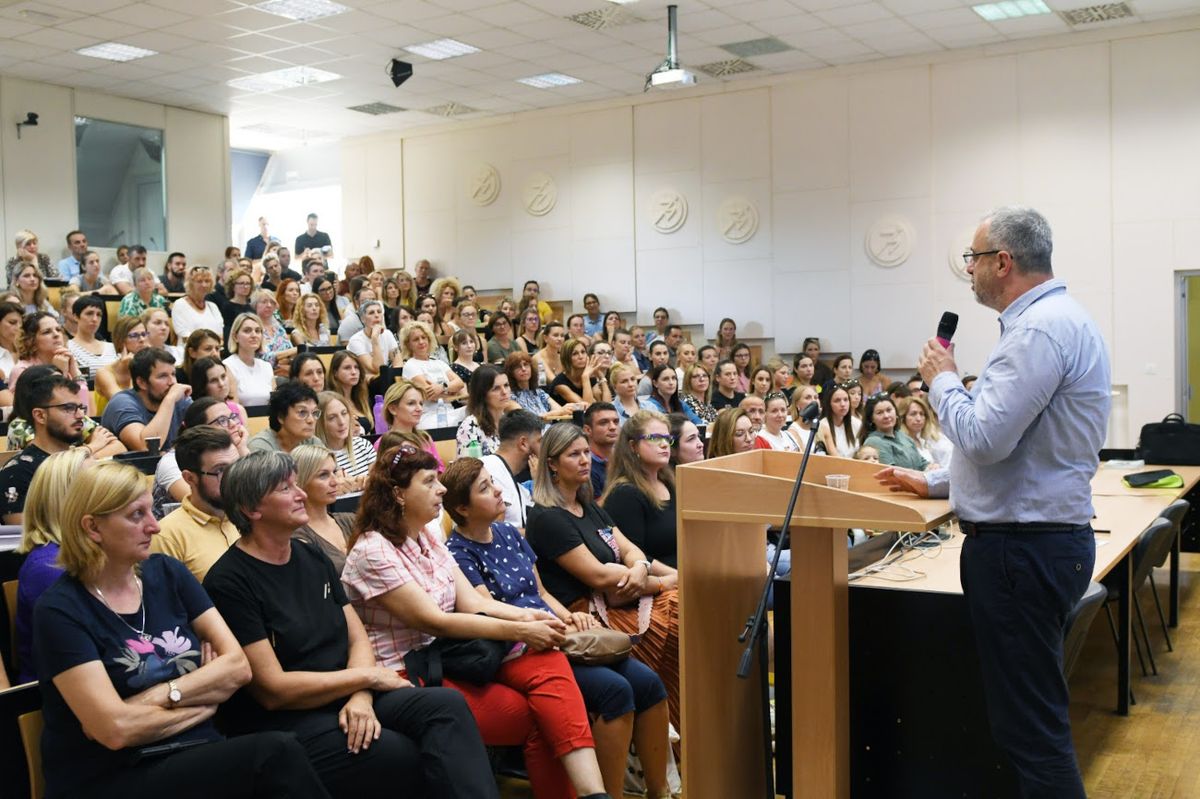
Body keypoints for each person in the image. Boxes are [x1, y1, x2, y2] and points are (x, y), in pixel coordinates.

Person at [878, 207, 1110, 798]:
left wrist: (942, 379)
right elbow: (1023, 450)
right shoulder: (1060, 320)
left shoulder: (1035, 330)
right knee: (1028, 725)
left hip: (1020, 552)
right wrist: (934, 484)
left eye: (973, 260)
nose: (970, 272)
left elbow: (984, 437)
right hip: (1037, 543)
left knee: (1032, 733)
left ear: (1002, 262)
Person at [204, 451, 498, 799]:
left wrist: (360, 696)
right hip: (291, 716)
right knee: (400, 754)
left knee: (445, 707)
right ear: (253, 510)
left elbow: (356, 637)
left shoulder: (309, 555)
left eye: (298, 484)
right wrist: (366, 680)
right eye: (286, 489)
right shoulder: (230, 581)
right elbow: (274, 689)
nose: (301, 494)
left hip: (346, 692)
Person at [34, 461, 332, 799]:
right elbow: (115, 731)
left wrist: (163, 696)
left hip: (193, 750)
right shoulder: (61, 610)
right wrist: (204, 701)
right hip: (113, 774)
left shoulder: (167, 573)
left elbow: (237, 667)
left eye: (152, 511)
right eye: (136, 515)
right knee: (276, 753)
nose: (154, 527)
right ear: (92, 527)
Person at [341, 444, 610, 799]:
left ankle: (595, 795)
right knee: (534, 712)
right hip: (402, 675)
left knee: (544, 680)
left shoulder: (426, 537)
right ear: (398, 494)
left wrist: (534, 618)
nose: (440, 490)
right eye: (429, 482)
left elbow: (473, 603)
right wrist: (520, 629)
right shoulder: (373, 550)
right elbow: (436, 621)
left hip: (444, 660)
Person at [443, 458, 671, 799]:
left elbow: (542, 593)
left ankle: (660, 791)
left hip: (554, 631)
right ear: (462, 508)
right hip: (517, 646)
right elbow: (486, 609)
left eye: (494, 482)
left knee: (649, 684)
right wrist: (542, 623)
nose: (499, 491)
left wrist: (569, 618)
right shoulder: (458, 551)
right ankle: (610, 794)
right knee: (615, 692)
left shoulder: (508, 534)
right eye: (485, 488)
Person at [526, 423, 681, 732]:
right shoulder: (546, 517)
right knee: (680, 614)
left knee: (691, 608)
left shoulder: (587, 506)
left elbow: (631, 551)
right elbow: (600, 577)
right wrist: (666, 581)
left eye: (586, 452)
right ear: (552, 464)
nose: (585, 460)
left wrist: (642, 568)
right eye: (574, 455)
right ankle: (675, 728)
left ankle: (687, 725)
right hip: (587, 613)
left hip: (622, 600)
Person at [13, 448, 92, 682]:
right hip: (60, 694)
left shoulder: (100, 551)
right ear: (66, 499)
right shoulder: (47, 568)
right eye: (95, 486)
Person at [151, 425, 241, 582]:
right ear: (189, 478)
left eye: (237, 466)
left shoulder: (252, 516)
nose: (233, 477)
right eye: (220, 470)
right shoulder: (167, 537)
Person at [601, 410, 681, 573]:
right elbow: (635, 557)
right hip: (658, 584)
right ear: (632, 446)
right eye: (654, 438)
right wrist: (680, 578)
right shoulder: (625, 494)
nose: (664, 444)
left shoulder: (670, 483)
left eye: (667, 438)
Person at [154, 396, 250, 506]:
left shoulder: (233, 451)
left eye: (233, 417)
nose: (233, 424)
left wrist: (242, 450)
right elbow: (205, 503)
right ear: (200, 428)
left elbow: (256, 493)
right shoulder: (171, 462)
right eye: (222, 420)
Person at [101, 348, 192, 452]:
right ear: (142, 383)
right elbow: (146, 447)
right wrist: (170, 399)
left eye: (173, 374)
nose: (172, 382)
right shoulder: (122, 403)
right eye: (163, 376)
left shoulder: (179, 399)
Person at [290, 443, 356, 573]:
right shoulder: (297, 537)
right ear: (301, 481)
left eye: (334, 472)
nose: (335, 481)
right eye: (323, 475)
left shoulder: (351, 519)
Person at [481, 409, 542, 530]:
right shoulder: (488, 473)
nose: (544, 446)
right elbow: (495, 534)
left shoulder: (518, 485)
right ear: (523, 443)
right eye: (540, 441)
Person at [400, 321, 464, 429]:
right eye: (416, 339)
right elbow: (432, 396)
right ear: (408, 344)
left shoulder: (439, 363)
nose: (421, 342)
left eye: (423, 338)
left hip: (450, 412)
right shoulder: (410, 365)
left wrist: (442, 387)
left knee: (478, 410)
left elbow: (460, 384)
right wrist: (453, 394)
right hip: (428, 417)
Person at [316, 391, 376, 485]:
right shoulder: (316, 457)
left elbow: (378, 485)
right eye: (332, 418)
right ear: (320, 423)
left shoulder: (363, 445)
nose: (341, 422)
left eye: (344, 413)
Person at [455, 365, 515, 458]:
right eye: (496, 388)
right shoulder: (470, 427)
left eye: (506, 385)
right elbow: (469, 470)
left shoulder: (512, 422)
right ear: (482, 394)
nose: (504, 392)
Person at [247, 380, 321, 454]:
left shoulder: (312, 442)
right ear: (281, 417)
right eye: (302, 412)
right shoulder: (260, 447)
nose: (311, 420)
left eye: (314, 413)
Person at [859, 394, 927, 470]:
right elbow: (891, 473)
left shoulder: (902, 435)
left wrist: (931, 467)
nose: (886, 416)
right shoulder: (874, 441)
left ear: (896, 412)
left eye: (889, 410)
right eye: (879, 413)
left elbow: (922, 463)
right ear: (872, 419)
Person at [506, 351, 578, 421]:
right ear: (511, 373)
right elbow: (528, 420)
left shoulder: (539, 393)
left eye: (526, 365)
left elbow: (560, 410)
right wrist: (557, 412)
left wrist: (575, 407)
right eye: (518, 367)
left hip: (550, 431)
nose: (524, 369)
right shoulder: (510, 398)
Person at [223, 313, 275, 407]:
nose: (254, 335)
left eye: (258, 331)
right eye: (247, 331)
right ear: (235, 337)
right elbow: (232, 407)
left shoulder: (266, 366)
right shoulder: (227, 366)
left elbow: (274, 403)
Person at [95, 317, 149, 401]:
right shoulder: (104, 373)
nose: (142, 340)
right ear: (120, 341)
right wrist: (132, 371)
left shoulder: (151, 368)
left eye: (144, 334)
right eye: (134, 335)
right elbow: (122, 403)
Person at [347, 300, 401, 382]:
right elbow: (377, 369)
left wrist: (398, 381)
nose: (376, 315)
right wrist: (375, 340)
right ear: (363, 319)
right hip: (364, 381)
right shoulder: (356, 340)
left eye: (379, 312)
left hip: (384, 378)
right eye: (371, 313)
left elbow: (398, 363)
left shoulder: (388, 334)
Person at [898, 394, 953, 469]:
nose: (918, 418)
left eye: (922, 414)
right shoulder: (899, 441)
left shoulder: (923, 441)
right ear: (903, 417)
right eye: (913, 414)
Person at [553, 338, 611, 406]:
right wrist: (585, 377)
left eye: (583, 352)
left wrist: (601, 375)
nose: (581, 357)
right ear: (567, 358)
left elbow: (607, 406)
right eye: (575, 354)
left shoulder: (591, 378)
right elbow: (587, 408)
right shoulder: (560, 384)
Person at [326, 351, 373, 434]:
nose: (354, 372)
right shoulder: (330, 402)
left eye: (356, 367)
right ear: (335, 373)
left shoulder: (363, 399)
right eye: (347, 368)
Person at [170, 266, 223, 341]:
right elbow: (183, 333)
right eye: (199, 281)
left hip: (214, 350)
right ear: (190, 283)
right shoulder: (180, 304)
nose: (204, 285)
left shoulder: (213, 306)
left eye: (207, 281)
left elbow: (220, 334)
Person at [67, 296, 118, 372]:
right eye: (89, 313)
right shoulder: (68, 348)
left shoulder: (111, 347)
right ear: (76, 317)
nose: (95, 319)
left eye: (99, 315)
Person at [583, 402, 620, 498]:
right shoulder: (584, 465)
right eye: (603, 423)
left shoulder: (627, 458)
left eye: (616, 422)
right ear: (588, 430)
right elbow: (593, 510)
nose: (612, 427)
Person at [818, 383, 862, 458]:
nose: (843, 404)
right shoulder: (822, 425)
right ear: (829, 404)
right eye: (837, 400)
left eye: (846, 400)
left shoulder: (857, 423)